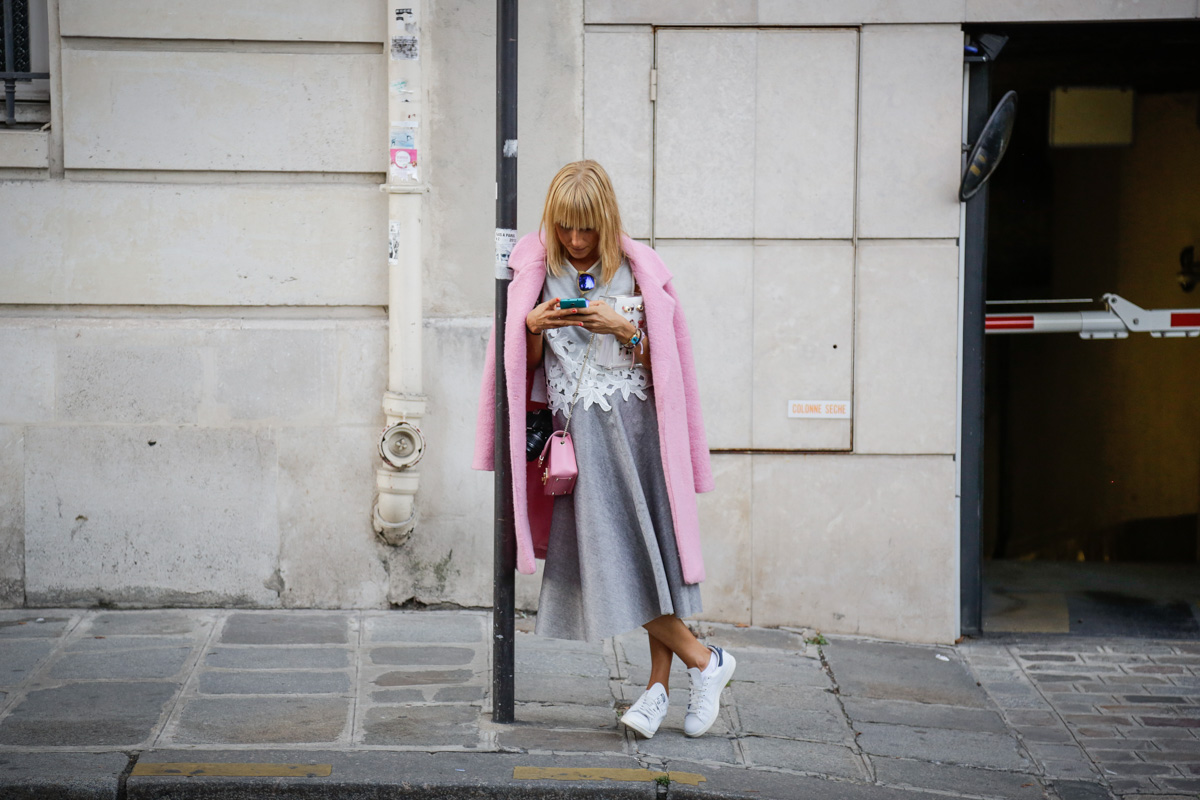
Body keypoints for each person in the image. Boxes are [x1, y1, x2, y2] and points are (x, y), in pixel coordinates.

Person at [473, 160, 734, 739]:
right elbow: (525, 369)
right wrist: (532, 327)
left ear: (606, 220)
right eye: (565, 226)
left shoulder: (640, 269)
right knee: (616, 557)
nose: (574, 239)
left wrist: (624, 330)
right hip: (580, 437)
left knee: (646, 554)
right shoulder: (536, 268)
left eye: (586, 227)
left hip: (639, 429)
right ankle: (699, 665)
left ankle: (671, 682)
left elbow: (667, 366)